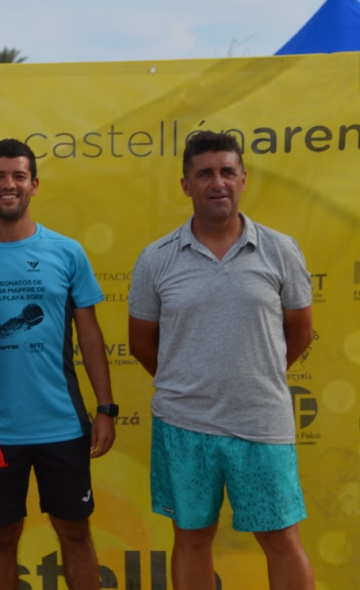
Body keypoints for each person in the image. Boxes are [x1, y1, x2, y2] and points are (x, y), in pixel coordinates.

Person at [128, 131, 315, 590]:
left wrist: (253, 377)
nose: (218, 182)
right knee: (191, 541)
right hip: (183, 425)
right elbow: (141, 343)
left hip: (261, 423)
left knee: (281, 540)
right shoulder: (155, 259)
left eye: (227, 171)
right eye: (204, 173)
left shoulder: (280, 250)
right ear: (185, 184)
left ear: (243, 179)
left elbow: (301, 333)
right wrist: (190, 382)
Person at [0, 138, 116, 590]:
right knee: (2, 536)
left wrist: (105, 407)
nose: (8, 185)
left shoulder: (67, 252)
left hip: (62, 424)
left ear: (34, 183)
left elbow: (89, 336)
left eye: (18, 176)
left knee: (74, 531)